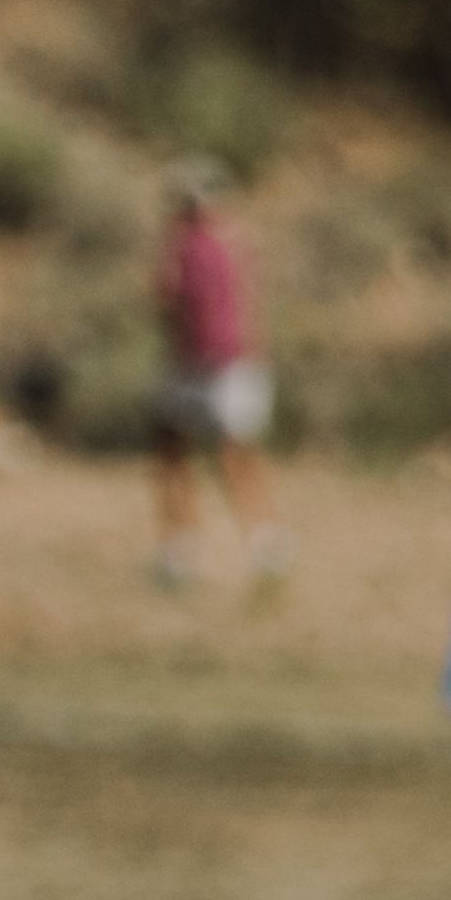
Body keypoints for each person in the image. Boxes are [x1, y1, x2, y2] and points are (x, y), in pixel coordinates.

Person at [151, 159, 285, 585]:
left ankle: (197, 549)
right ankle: (251, 544)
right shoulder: (235, 240)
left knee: (216, 455)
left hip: (212, 364)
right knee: (207, 453)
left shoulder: (191, 245)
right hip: (221, 362)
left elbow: (165, 298)